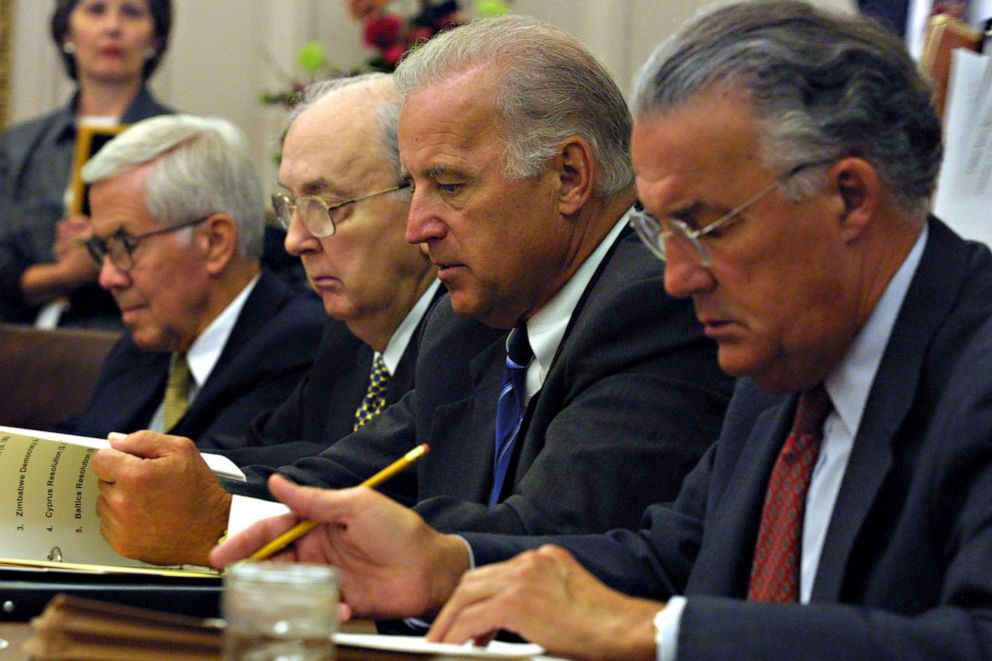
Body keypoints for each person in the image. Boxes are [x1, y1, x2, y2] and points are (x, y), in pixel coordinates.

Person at [213, 3, 992, 660]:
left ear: (848, 197)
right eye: (663, 232)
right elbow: (668, 555)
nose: (680, 276)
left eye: (701, 226)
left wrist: (656, 631)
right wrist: (449, 564)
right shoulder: (786, 356)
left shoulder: (970, 361)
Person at [100, 17, 734, 568]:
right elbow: (347, 474)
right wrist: (189, 484)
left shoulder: (656, 302)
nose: (417, 227)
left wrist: (222, 523)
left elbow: (551, 536)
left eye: (449, 186)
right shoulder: (476, 319)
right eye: (413, 186)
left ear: (568, 176)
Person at [92, 74, 442, 564]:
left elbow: (376, 491)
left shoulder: (469, 342)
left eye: (323, 205)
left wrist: (215, 511)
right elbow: (267, 453)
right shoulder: (348, 341)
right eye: (291, 207)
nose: (295, 239)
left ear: (421, 200)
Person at [57, 113, 325, 445]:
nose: (108, 277)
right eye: (103, 249)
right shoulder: (142, 346)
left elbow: (213, 480)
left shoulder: (300, 346)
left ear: (215, 242)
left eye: (125, 245)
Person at [0, 0, 173, 328]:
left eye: (132, 12)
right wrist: (65, 275)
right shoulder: (18, 146)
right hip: (19, 343)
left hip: (136, 340)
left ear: (155, 39)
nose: (113, 27)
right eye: (96, 10)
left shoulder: (180, 141)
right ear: (66, 31)